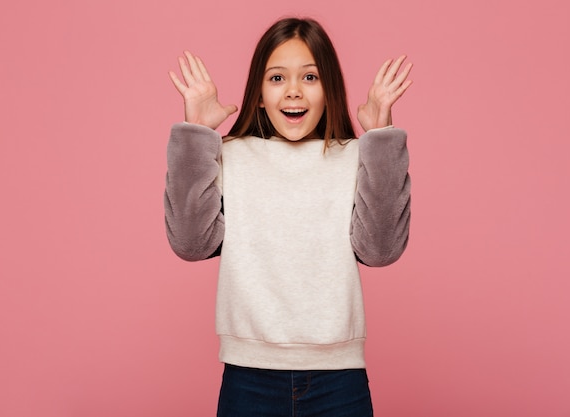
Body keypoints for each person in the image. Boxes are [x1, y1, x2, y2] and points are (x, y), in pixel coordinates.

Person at [165, 17, 412, 417]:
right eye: (277, 78)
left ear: (329, 89)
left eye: (310, 77)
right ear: (259, 94)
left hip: (339, 380)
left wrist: (380, 135)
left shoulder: (356, 157)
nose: (293, 90)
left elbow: (381, 250)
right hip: (248, 377)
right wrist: (196, 131)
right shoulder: (229, 154)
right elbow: (192, 244)